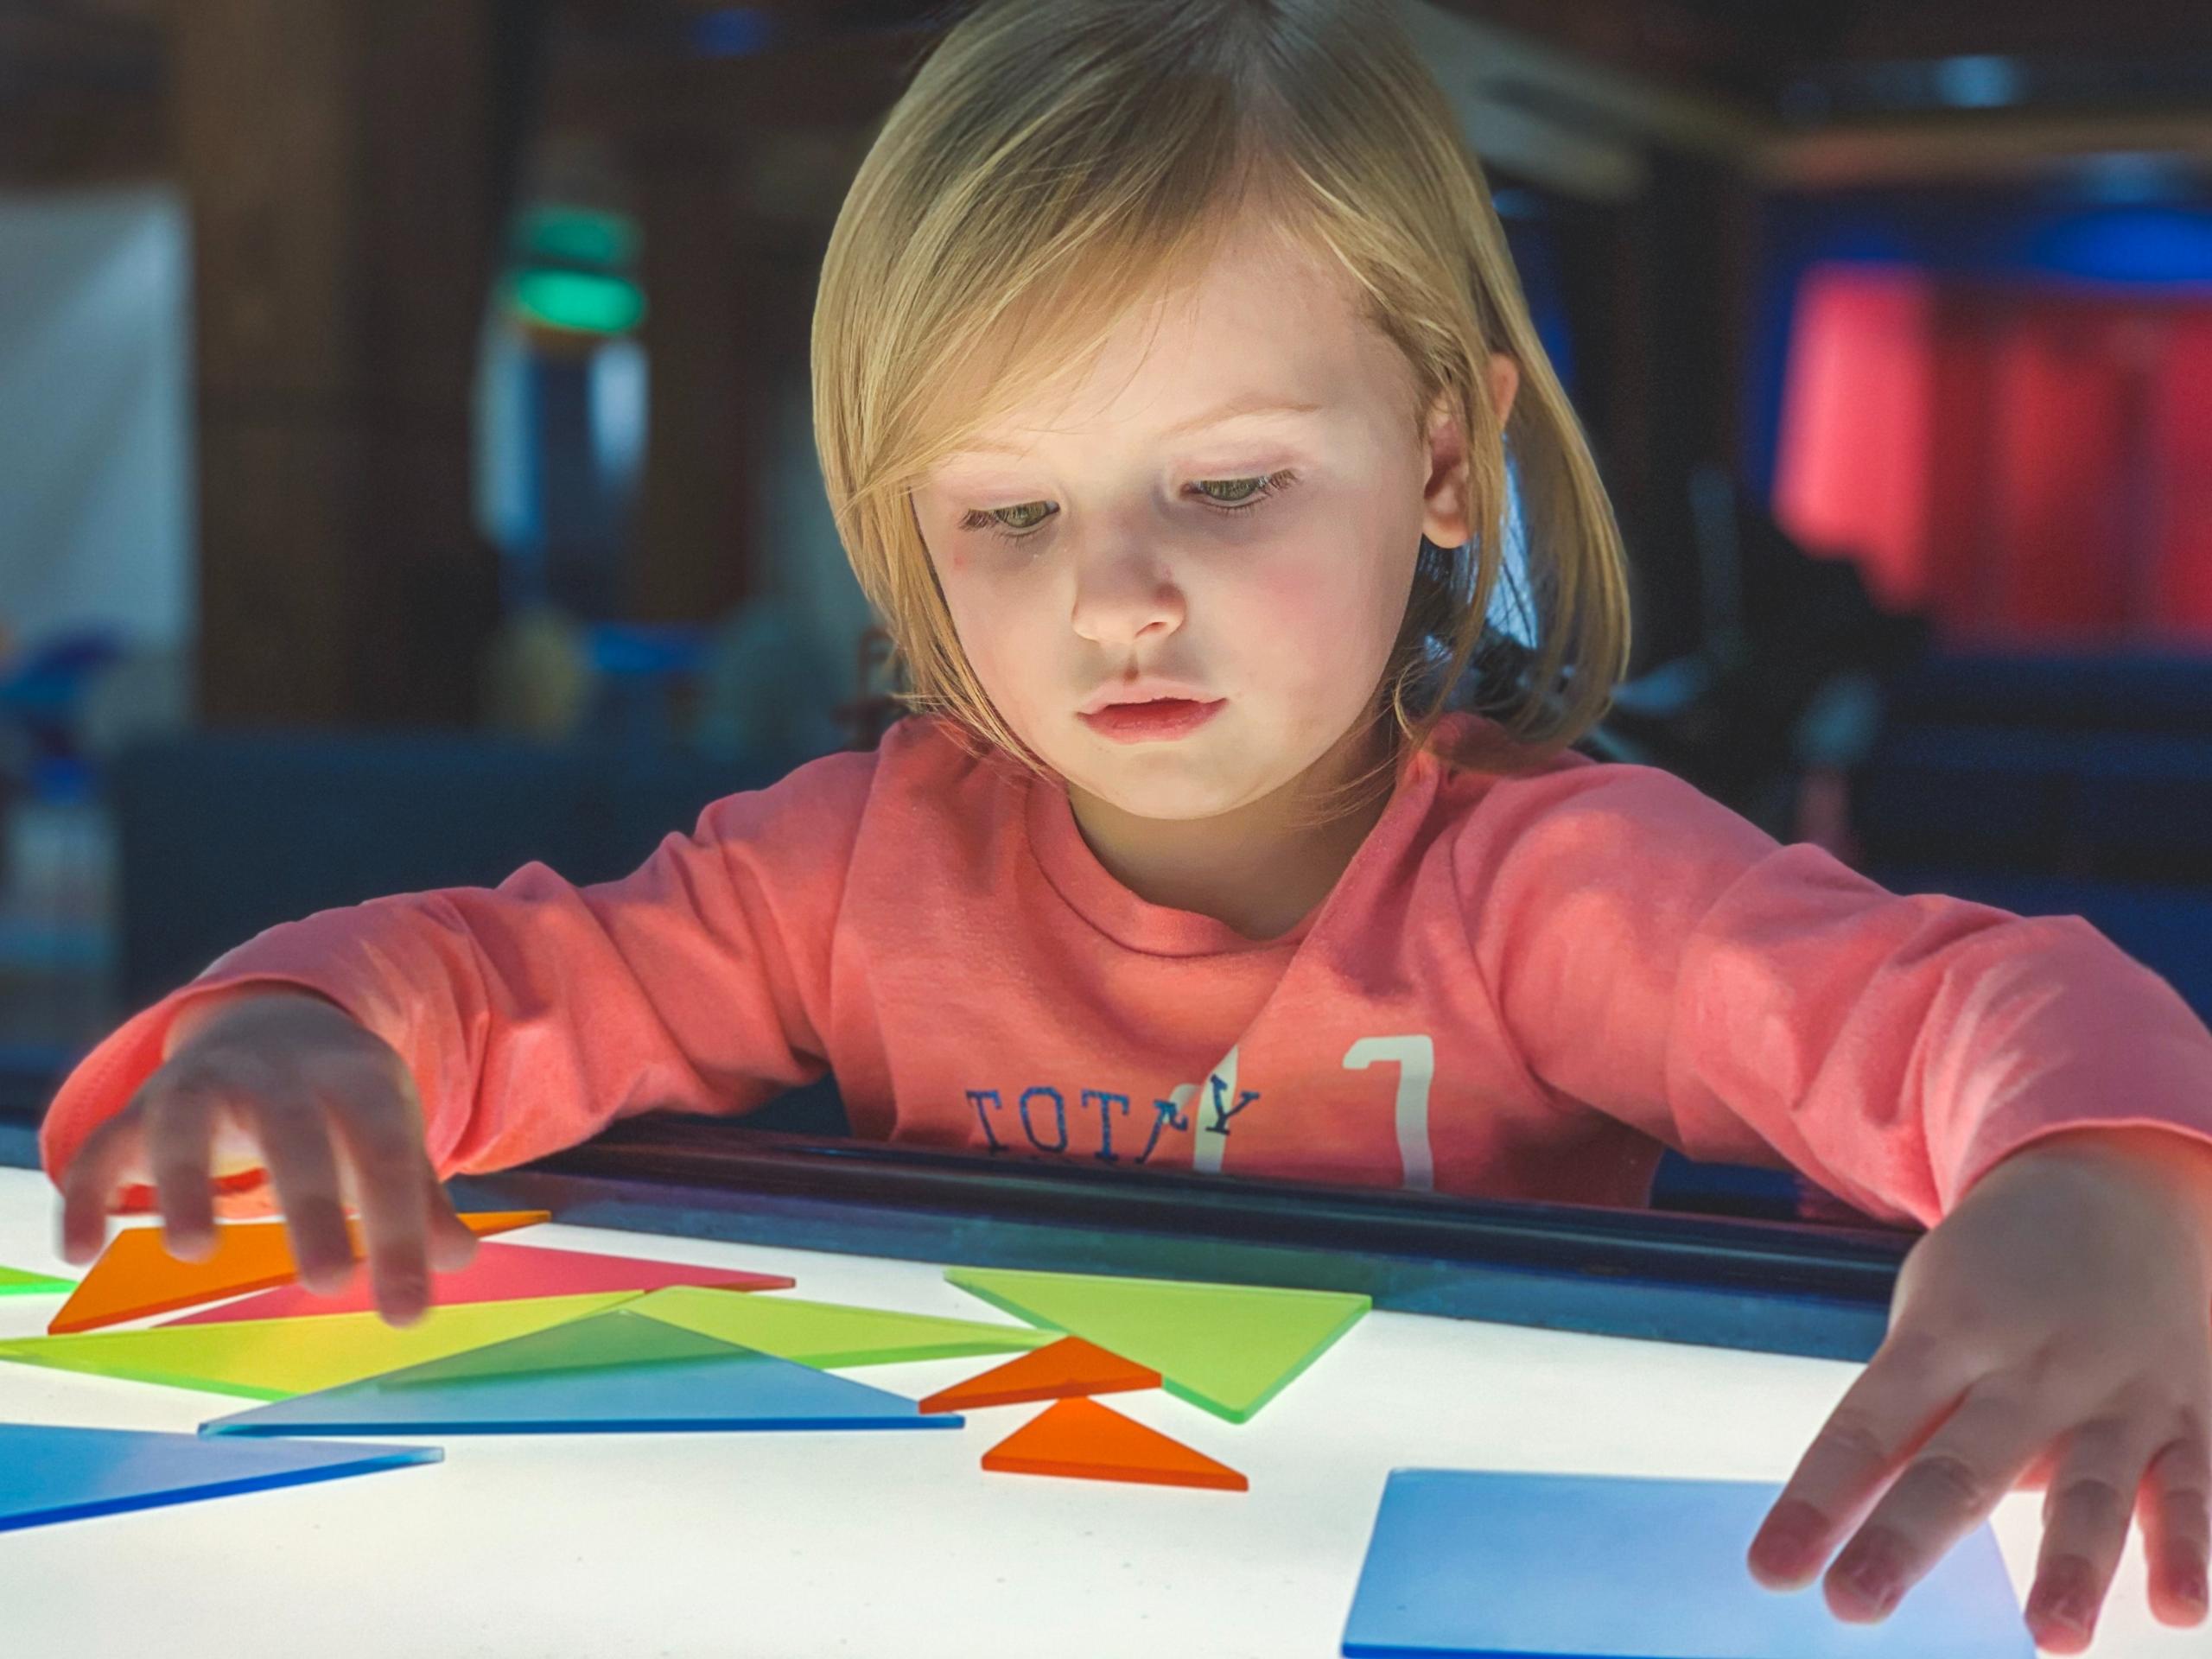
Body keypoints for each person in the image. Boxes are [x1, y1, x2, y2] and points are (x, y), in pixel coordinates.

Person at [35, 1, 2212, 1647]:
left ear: (1441, 465)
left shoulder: (1556, 890)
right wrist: (311, 1020)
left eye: (1230, 482)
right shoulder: (848, 862)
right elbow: (520, 977)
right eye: (1009, 511)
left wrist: (2099, 1189)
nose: (1116, 594)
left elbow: (1975, 1010)